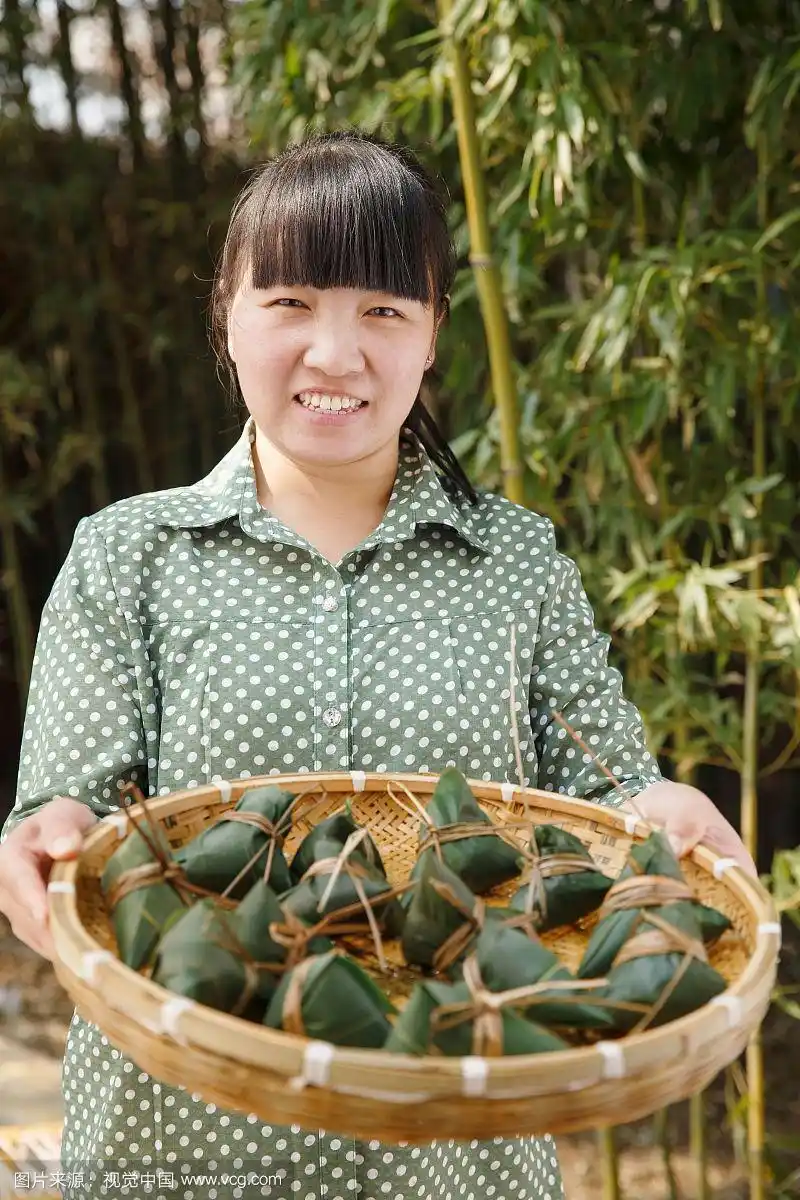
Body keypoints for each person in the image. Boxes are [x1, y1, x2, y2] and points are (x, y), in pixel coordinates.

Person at [0, 130, 754, 1200]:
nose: (335, 354)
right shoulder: (129, 556)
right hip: (178, 1145)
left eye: (383, 312)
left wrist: (656, 809)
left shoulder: (514, 562)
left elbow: (607, 793)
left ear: (435, 329)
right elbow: (68, 803)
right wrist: (46, 841)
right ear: (227, 313)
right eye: (291, 302)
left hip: (457, 1157)